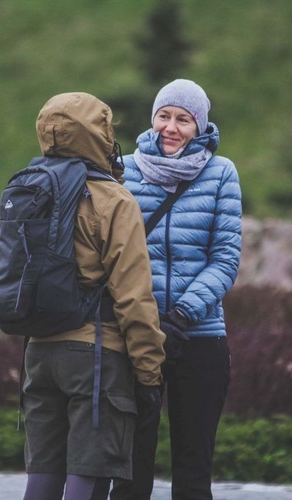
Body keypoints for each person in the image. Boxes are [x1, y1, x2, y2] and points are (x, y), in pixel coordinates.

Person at [21, 92, 166, 500]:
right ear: (96, 135)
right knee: (89, 474)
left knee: (42, 475)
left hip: (37, 353)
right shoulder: (113, 200)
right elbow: (133, 297)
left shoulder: (29, 189)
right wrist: (150, 373)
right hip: (96, 358)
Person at [110, 79, 242, 500]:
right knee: (130, 471)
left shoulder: (221, 173)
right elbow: (112, 253)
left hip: (198, 336)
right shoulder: (123, 170)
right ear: (152, 119)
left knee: (192, 470)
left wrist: (183, 314)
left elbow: (225, 258)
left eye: (184, 119)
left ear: (200, 126)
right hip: (136, 335)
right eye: (164, 116)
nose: (171, 127)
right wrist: (145, 316)